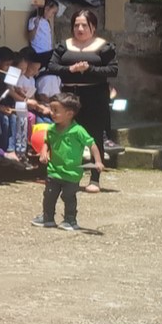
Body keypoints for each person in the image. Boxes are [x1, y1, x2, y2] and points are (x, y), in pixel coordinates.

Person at [44, 8, 118, 191]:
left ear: (93, 27)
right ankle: (66, 176)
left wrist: (89, 69)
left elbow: (112, 70)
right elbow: (51, 66)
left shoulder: (104, 47)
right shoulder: (64, 46)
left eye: (85, 25)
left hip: (94, 96)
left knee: (93, 135)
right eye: (77, 25)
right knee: (66, 134)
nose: (80, 29)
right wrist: (70, 70)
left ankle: (94, 179)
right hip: (69, 96)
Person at [34, 93, 103, 231]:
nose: (52, 113)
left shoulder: (78, 130)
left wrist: (98, 161)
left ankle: (70, 220)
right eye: (51, 109)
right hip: (54, 171)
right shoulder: (51, 129)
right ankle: (47, 218)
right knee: (49, 196)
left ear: (69, 114)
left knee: (69, 197)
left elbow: (92, 144)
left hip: (72, 172)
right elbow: (47, 141)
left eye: (56, 110)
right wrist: (43, 151)